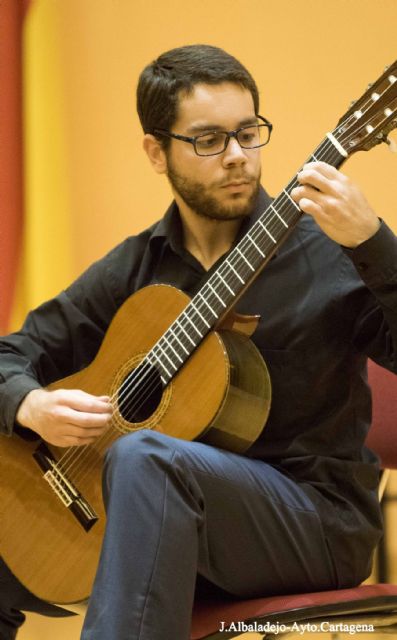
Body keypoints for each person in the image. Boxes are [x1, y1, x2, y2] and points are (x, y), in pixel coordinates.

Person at [0, 44, 396, 640]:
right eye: (209, 140)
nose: (237, 156)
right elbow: (13, 353)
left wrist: (374, 243)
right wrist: (29, 404)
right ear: (157, 152)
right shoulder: (136, 267)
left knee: (145, 456)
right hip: (174, 526)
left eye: (248, 133)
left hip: (312, 524)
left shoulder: (334, 253)